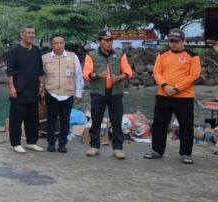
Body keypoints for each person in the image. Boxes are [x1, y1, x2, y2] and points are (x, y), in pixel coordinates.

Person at [144, 29, 202, 164]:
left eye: (176, 41)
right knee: (159, 124)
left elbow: (194, 76)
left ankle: (185, 153)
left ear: (183, 41)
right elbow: (157, 72)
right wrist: (165, 86)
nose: (173, 44)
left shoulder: (192, 55)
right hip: (163, 95)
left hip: (184, 97)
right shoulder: (163, 54)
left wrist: (176, 88)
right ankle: (157, 150)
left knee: (186, 125)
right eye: (171, 41)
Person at [82, 30, 133, 159]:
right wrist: (98, 75)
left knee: (116, 121)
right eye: (106, 40)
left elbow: (127, 70)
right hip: (98, 92)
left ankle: (117, 148)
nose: (109, 42)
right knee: (96, 120)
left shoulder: (120, 53)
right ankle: (94, 146)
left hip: (116, 92)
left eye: (111, 40)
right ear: (99, 41)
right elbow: (86, 73)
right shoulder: (91, 55)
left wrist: (120, 77)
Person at [41, 35, 84, 154]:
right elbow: (41, 77)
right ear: (51, 45)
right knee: (51, 120)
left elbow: (78, 75)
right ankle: (50, 143)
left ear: (64, 44)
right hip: (51, 93)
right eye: (56, 43)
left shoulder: (72, 56)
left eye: (61, 43)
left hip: (67, 94)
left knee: (65, 120)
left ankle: (62, 144)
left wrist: (79, 93)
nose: (58, 45)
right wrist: (41, 91)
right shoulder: (45, 58)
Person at [6, 25, 45, 153]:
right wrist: (11, 87)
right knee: (17, 118)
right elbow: (10, 71)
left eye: (33, 33)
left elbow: (40, 70)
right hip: (19, 90)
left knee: (33, 118)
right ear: (22, 35)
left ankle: (31, 142)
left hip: (34, 89)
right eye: (28, 33)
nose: (31, 35)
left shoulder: (37, 50)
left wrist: (41, 85)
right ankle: (16, 143)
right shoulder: (14, 50)